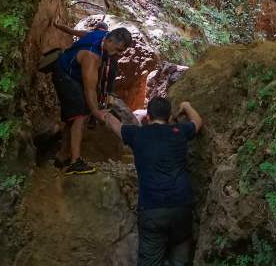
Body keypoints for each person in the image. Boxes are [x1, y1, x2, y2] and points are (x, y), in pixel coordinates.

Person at [100, 96, 203, 266]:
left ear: (147, 117)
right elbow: (198, 121)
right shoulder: (180, 131)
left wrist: (105, 115)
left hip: (152, 209)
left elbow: (115, 125)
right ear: (170, 118)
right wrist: (186, 105)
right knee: (180, 256)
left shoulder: (137, 134)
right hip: (182, 206)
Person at [50, 23, 134, 175]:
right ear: (109, 41)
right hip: (65, 75)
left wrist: (64, 28)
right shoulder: (92, 56)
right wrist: (97, 112)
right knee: (79, 115)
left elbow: (82, 33)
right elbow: (89, 89)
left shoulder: (103, 35)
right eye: (117, 49)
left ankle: (62, 155)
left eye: (121, 51)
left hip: (71, 72)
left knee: (74, 115)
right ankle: (75, 162)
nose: (117, 54)